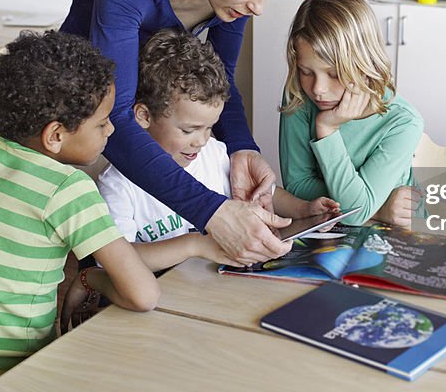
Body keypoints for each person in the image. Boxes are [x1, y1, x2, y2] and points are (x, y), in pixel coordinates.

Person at [61, 0, 318, 266]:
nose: (258, 7)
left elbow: (224, 81)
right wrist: (212, 212)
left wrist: (243, 149)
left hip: (136, 120)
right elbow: (118, 118)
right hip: (73, 121)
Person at [0, 31, 164, 392]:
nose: (112, 130)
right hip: (8, 377)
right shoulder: (68, 190)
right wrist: (91, 279)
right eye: (103, 122)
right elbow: (144, 294)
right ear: (54, 135)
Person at [97, 28, 339, 244]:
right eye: (189, 130)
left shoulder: (214, 152)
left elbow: (267, 195)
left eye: (209, 127)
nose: (201, 141)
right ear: (144, 116)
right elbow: (120, 262)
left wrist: (304, 209)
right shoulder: (117, 185)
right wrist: (195, 248)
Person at [278, 0, 424, 227]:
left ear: (366, 65)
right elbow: (296, 186)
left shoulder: (403, 123)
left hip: (399, 233)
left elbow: (356, 212)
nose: (318, 89)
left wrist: (327, 129)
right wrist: (376, 207)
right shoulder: (298, 96)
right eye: (306, 72)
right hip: (342, 231)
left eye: (334, 74)